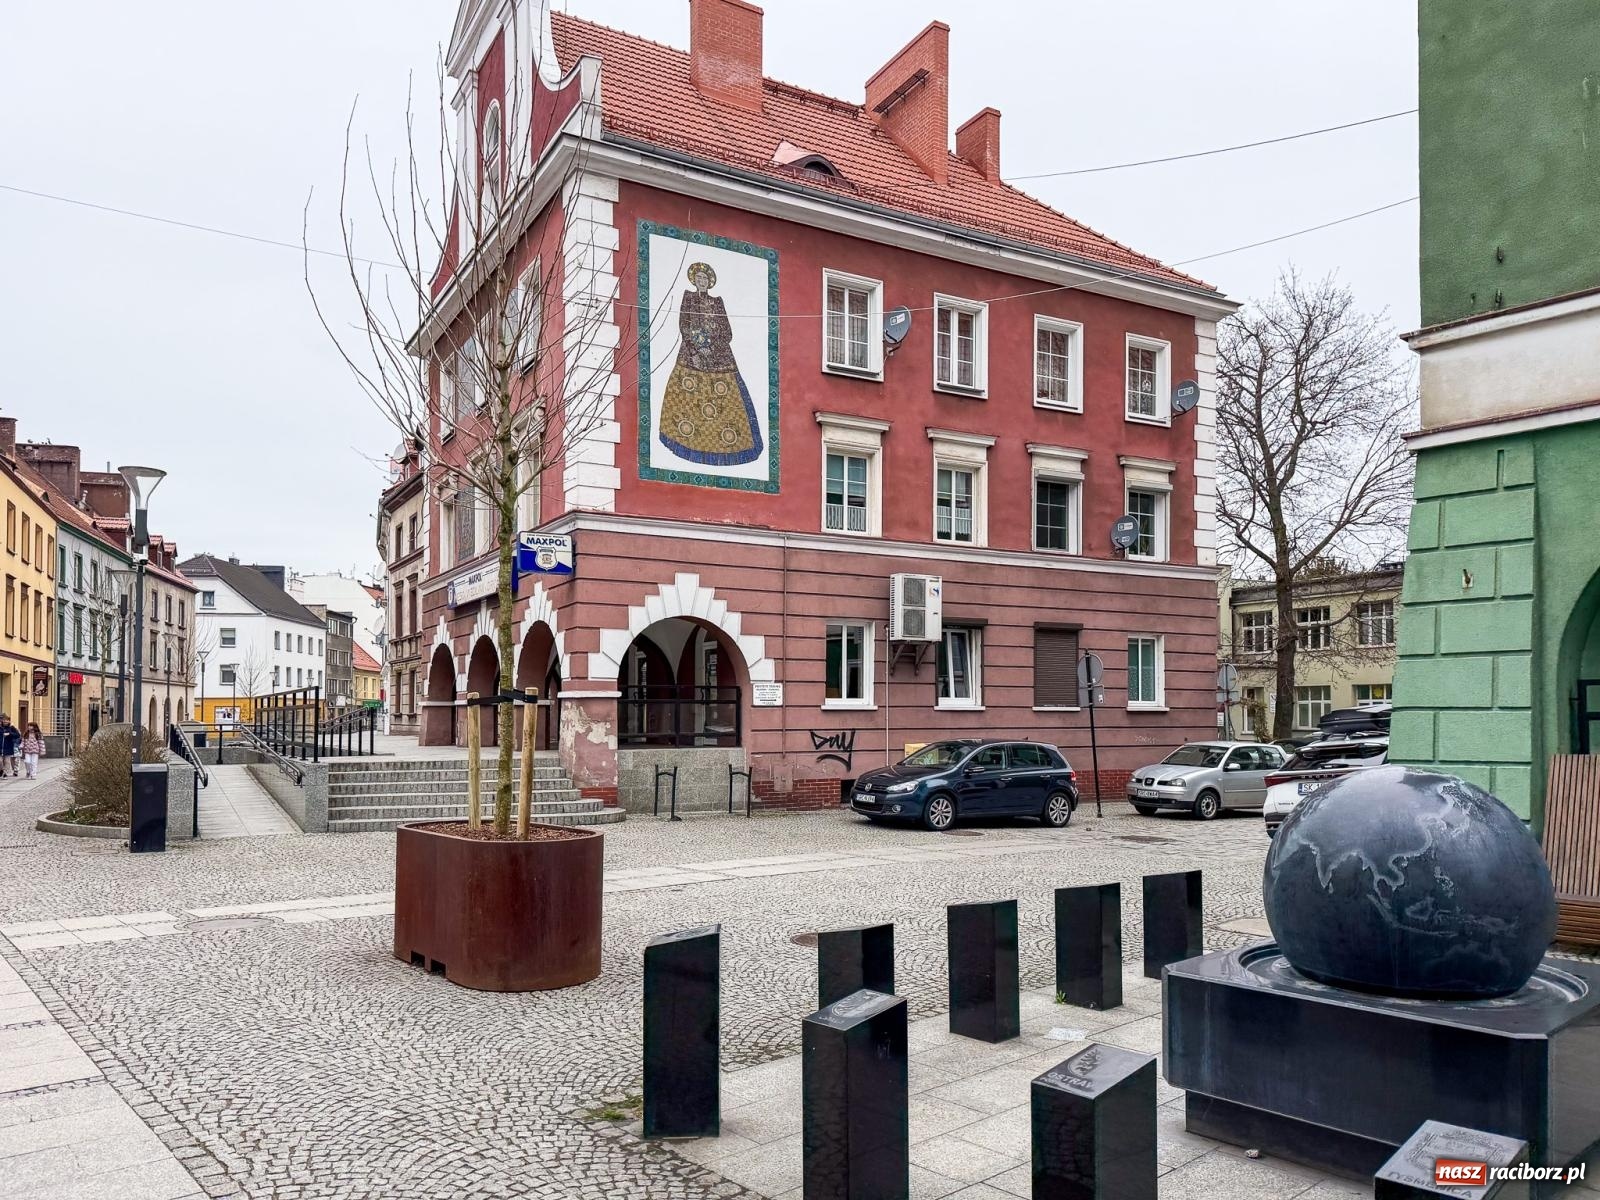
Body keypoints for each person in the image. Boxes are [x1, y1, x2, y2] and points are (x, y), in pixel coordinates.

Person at [656, 261, 764, 466]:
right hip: (691, 355)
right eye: (699, 279)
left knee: (729, 400)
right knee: (685, 397)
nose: (702, 282)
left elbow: (727, 331)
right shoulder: (688, 298)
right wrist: (697, 347)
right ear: (694, 281)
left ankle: (730, 450)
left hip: (719, 357)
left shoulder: (717, 302)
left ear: (710, 282)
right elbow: (684, 325)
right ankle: (684, 443)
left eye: (705, 279)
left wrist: (712, 347)